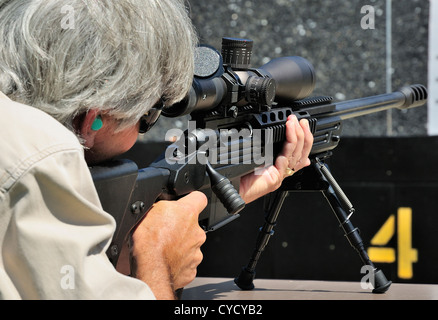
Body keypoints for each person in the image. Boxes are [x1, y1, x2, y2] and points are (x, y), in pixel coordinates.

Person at [0, 0, 313, 300]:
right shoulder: (41, 161)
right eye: (147, 117)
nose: (145, 127)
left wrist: (224, 193)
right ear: (92, 122)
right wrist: (158, 260)